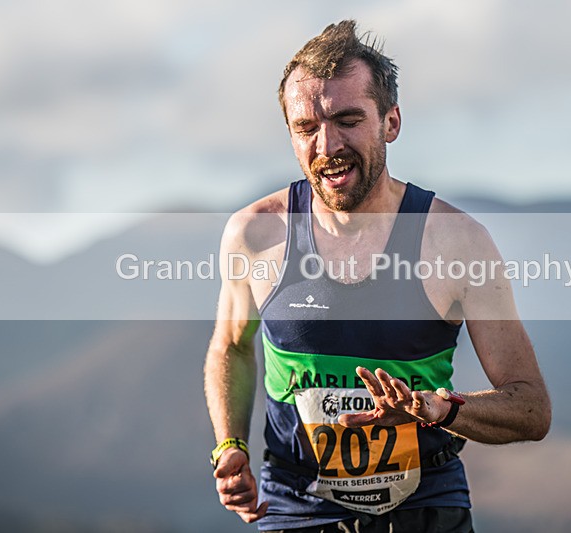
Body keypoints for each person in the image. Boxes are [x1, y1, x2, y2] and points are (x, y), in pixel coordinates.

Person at [204, 20, 551, 532]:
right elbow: (231, 345)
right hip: (295, 509)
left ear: (391, 122)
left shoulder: (457, 242)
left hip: (423, 508)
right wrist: (230, 443)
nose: (327, 145)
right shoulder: (254, 234)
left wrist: (436, 408)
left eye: (348, 120)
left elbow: (531, 407)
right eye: (306, 128)